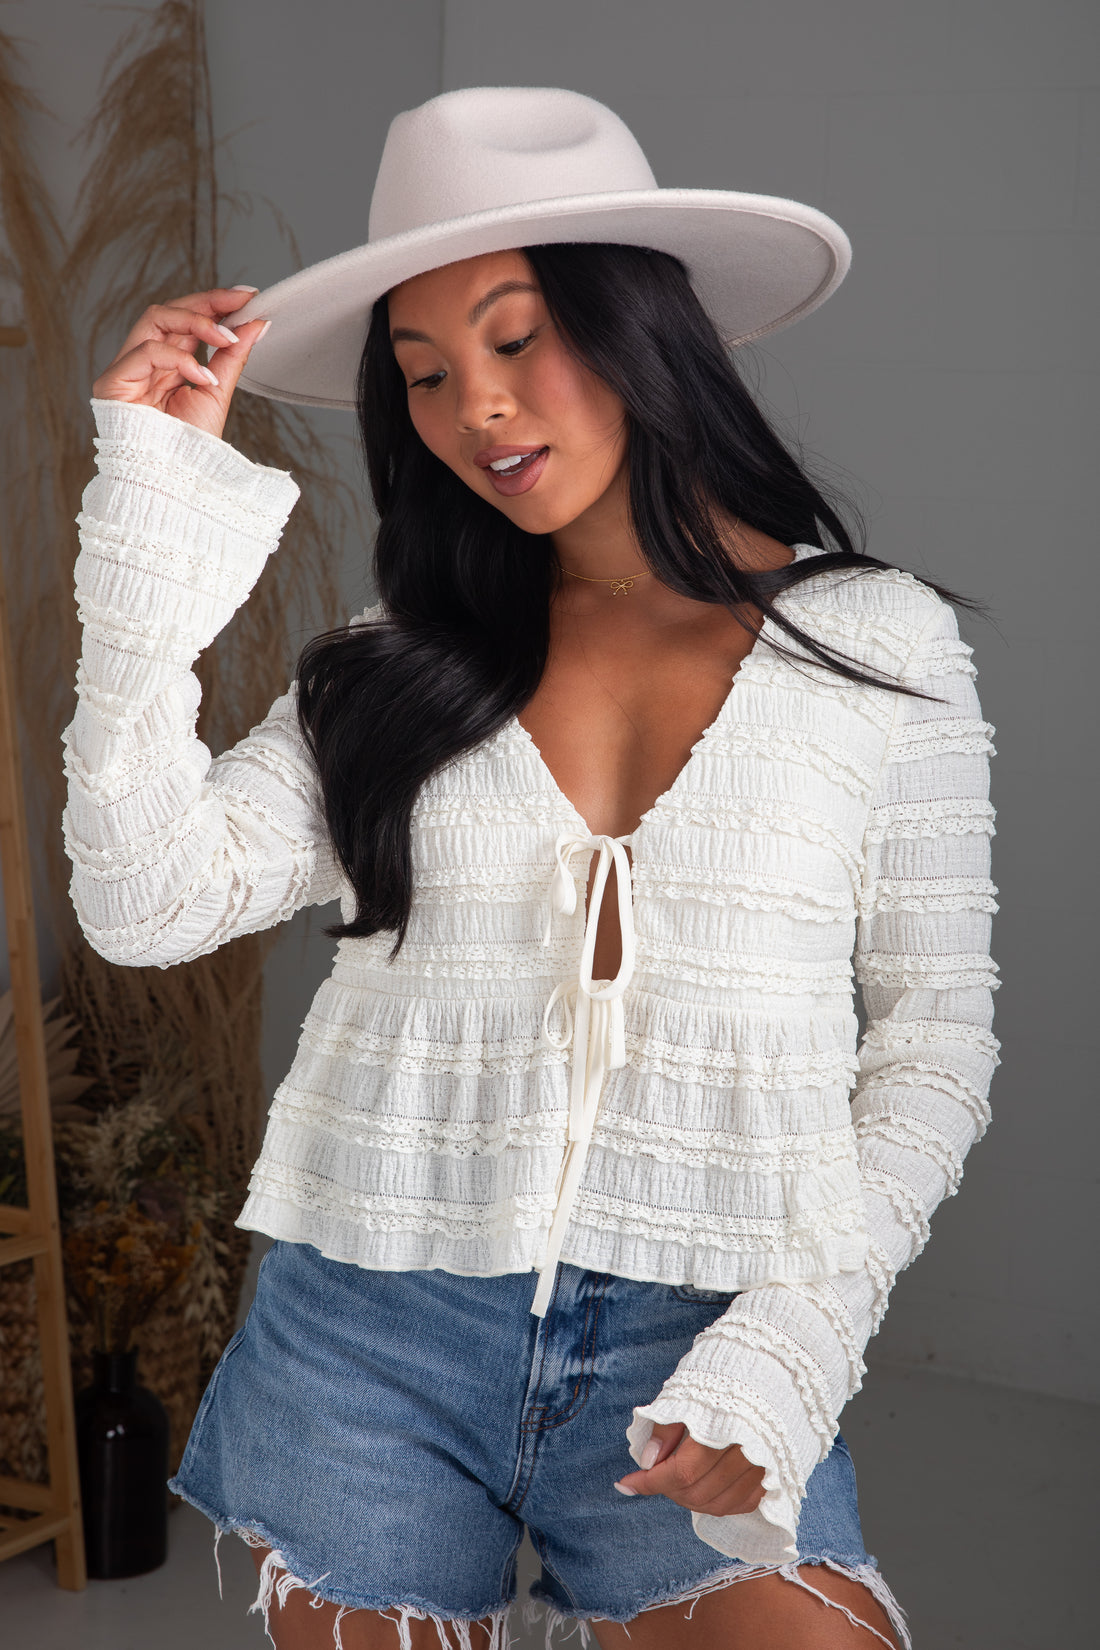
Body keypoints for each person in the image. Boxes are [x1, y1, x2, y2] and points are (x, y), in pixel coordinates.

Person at [63, 87, 997, 1650]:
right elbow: (144, 899)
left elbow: (931, 1041)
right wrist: (148, 511)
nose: (475, 408)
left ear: (640, 327)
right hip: (372, 1321)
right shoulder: (392, 668)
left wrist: (795, 1340)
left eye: (516, 338)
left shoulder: (877, 643)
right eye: (423, 375)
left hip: (702, 1317)